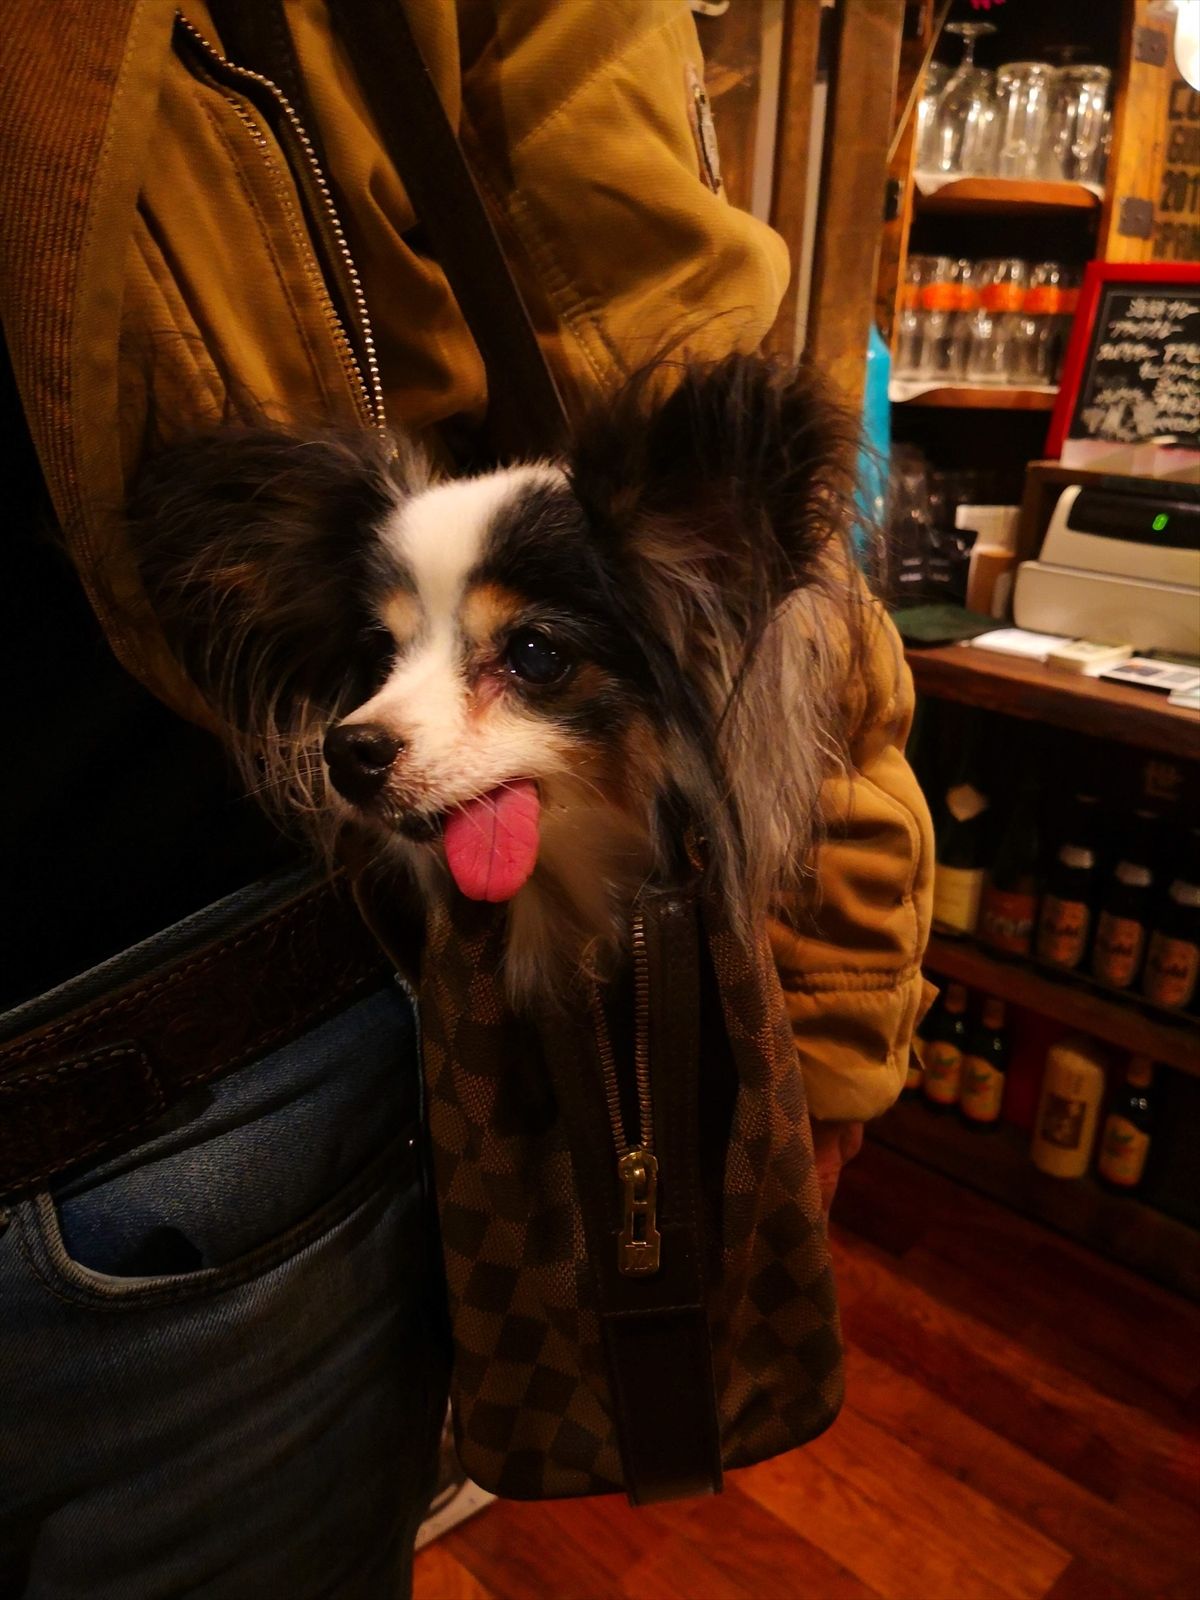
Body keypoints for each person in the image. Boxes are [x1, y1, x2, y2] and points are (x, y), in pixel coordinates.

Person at [0, 3, 933, 1595]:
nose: (384, 715)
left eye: (526, 658)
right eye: (386, 657)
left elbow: (703, 399)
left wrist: (827, 988)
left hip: (230, 1126)